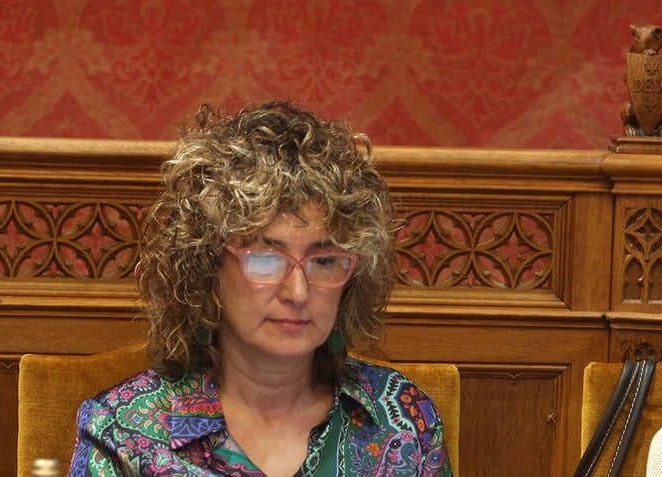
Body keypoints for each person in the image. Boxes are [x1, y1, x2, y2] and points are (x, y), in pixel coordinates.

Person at [68, 101, 452, 476]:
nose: (298, 292)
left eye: (323, 261)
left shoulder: (402, 419)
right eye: (267, 259)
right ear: (207, 267)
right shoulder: (124, 432)